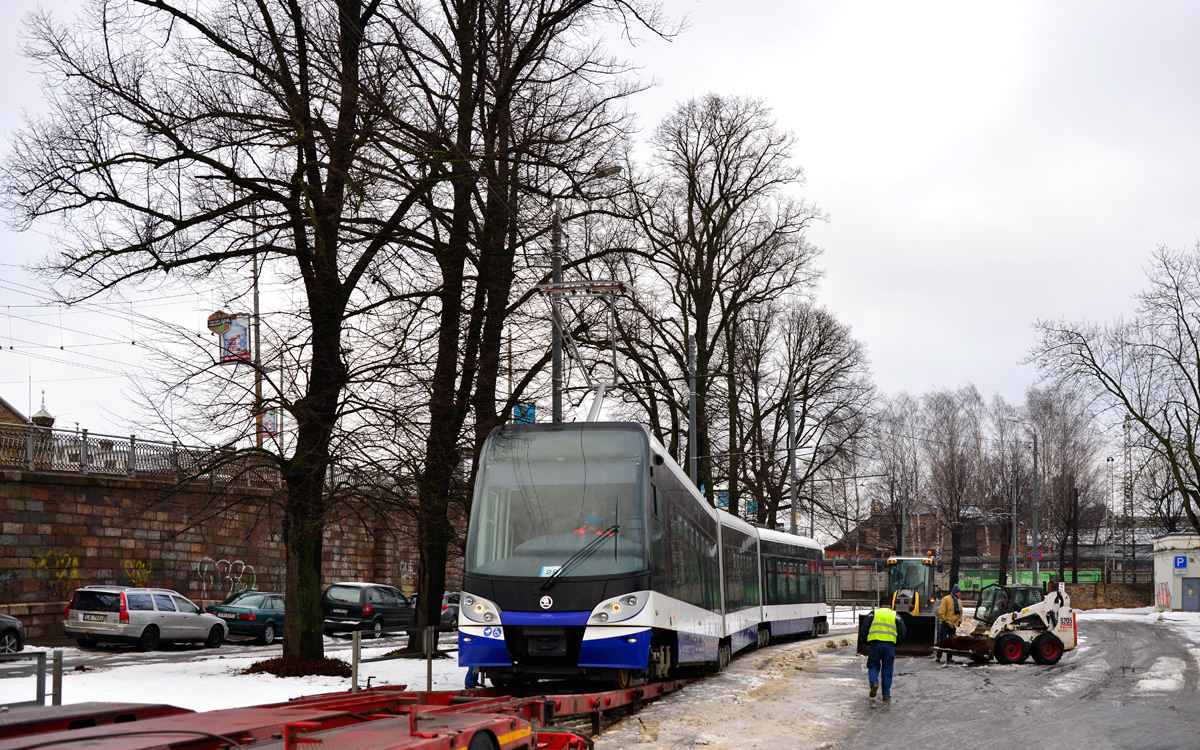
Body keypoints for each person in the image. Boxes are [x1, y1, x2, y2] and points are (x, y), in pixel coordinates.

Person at [863, 604, 907, 702]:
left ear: (880, 605)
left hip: (874, 645)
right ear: (890, 605)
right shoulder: (896, 616)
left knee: (873, 666)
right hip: (889, 646)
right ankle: (886, 694)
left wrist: (866, 642)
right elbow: (903, 633)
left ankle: (874, 683)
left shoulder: (873, 614)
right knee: (887, 669)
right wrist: (896, 643)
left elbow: (864, 629)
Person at [936, 583, 963, 663]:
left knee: (951, 641)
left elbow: (960, 613)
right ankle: (938, 656)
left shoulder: (959, 601)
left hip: (953, 624)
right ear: (955, 592)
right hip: (946, 624)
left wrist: (959, 621)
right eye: (958, 592)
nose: (960, 594)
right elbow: (942, 610)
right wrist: (943, 620)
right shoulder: (946, 599)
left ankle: (949, 657)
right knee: (943, 640)